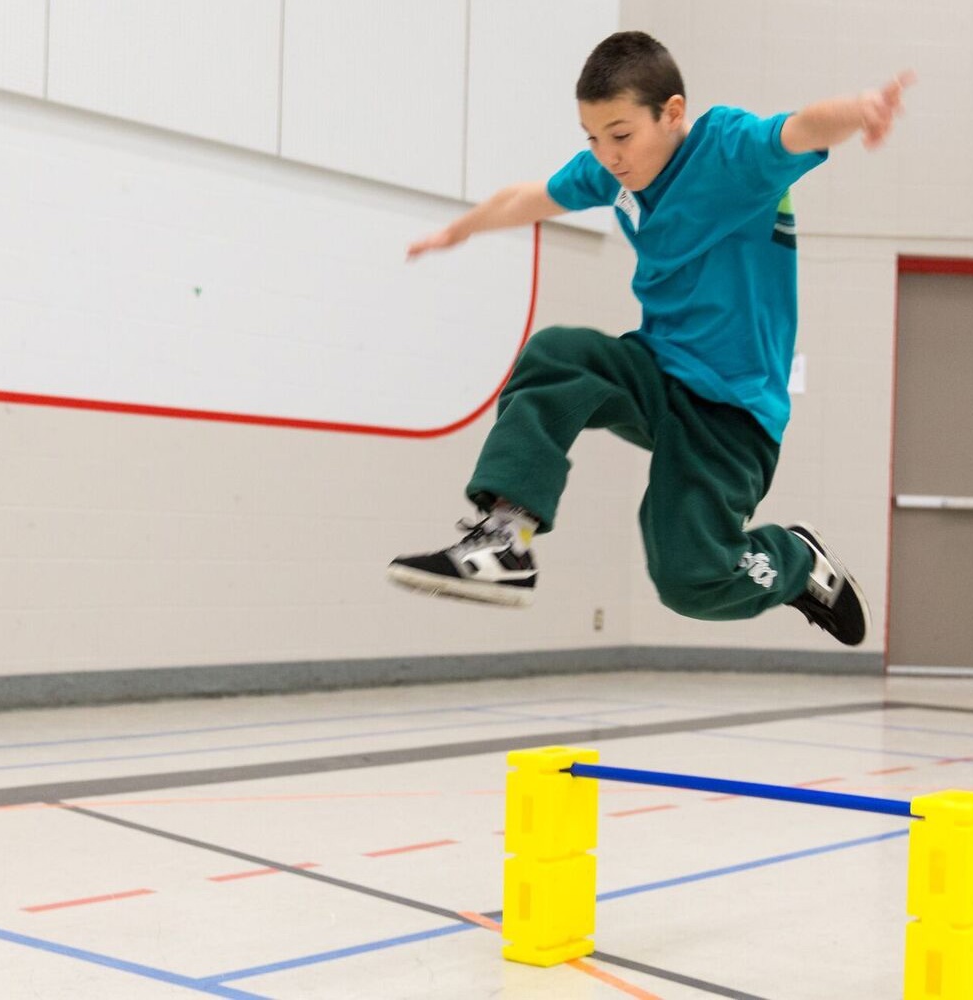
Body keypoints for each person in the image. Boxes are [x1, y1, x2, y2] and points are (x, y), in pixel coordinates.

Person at [388, 31, 915, 646]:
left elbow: (801, 128)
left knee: (688, 578)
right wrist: (462, 229)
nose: (607, 155)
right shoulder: (616, 172)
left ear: (672, 113)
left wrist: (861, 109)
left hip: (733, 411)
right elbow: (529, 198)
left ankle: (797, 562)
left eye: (620, 135)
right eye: (592, 137)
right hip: (657, 375)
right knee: (560, 355)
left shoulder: (731, 152)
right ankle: (508, 541)